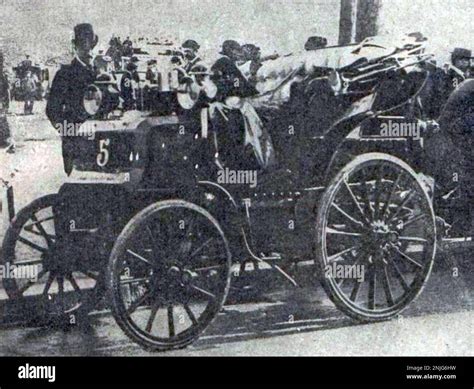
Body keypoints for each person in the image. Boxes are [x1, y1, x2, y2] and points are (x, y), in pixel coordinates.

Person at [210, 40, 275, 170]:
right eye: (237, 51)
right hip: (229, 103)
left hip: (223, 102)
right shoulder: (226, 63)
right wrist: (252, 88)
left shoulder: (222, 63)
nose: (239, 54)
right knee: (254, 128)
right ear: (230, 51)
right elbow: (239, 85)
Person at [46, 23, 97, 175]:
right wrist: (69, 132)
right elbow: (52, 110)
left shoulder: (97, 74)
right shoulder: (65, 74)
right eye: (83, 44)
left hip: (99, 141)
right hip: (75, 143)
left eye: (90, 44)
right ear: (75, 46)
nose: (88, 49)